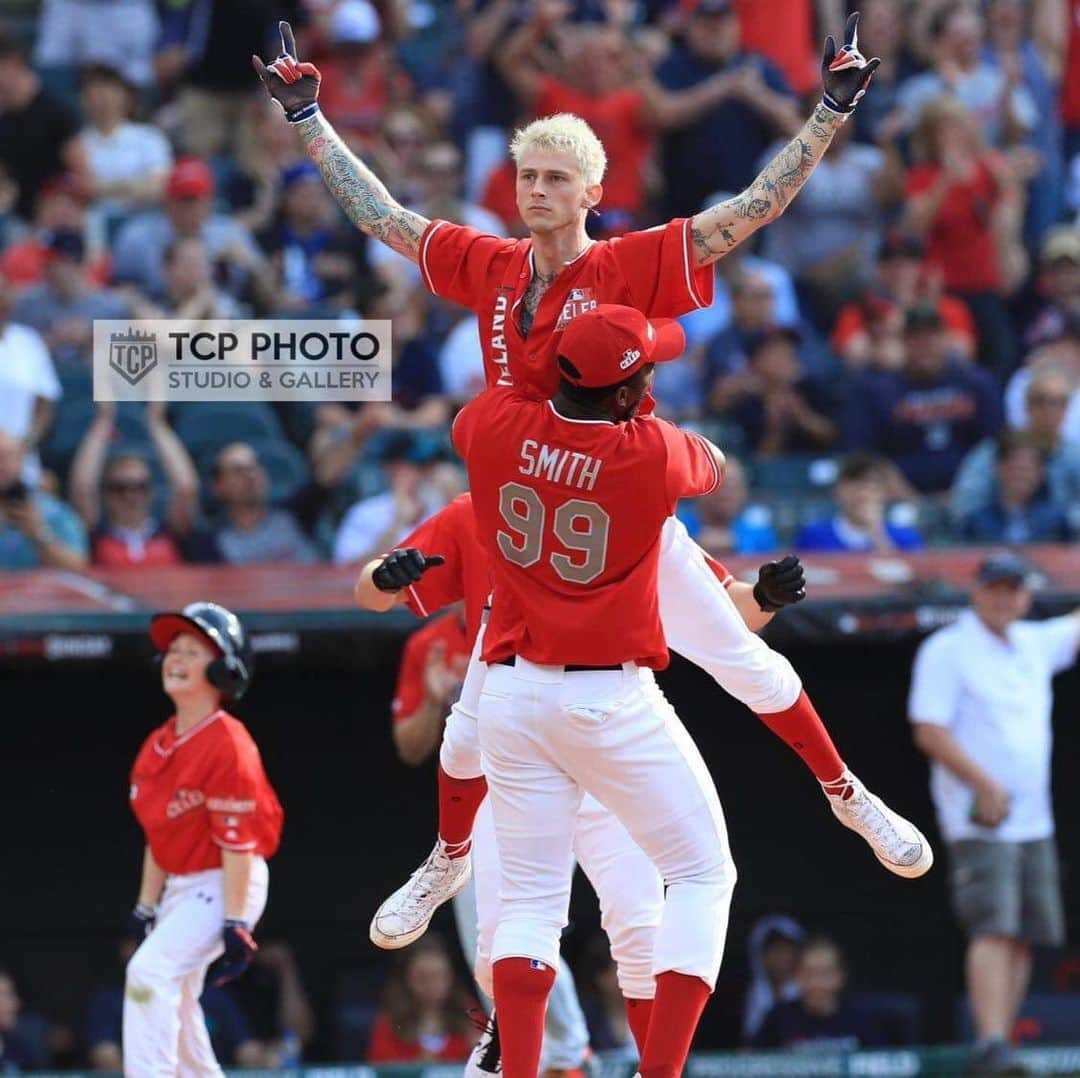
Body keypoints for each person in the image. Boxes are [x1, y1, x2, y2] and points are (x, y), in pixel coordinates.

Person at [260, 0, 930, 963]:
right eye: (528, 175)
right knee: (468, 725)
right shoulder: (490, 265)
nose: (536, 190)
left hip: (618, 505)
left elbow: (749, 214)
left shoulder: (625, 265)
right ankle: (448, 857)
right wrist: (307, 119)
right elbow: (386, 219)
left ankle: (848, 795)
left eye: (556, 179)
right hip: (521, 513)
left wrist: (827, 112)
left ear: (591, 191)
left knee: (746, 662)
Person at [909, 552, 1080, 1075]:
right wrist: (984, 785)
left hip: (1035, 818)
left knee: (1024, 930)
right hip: (980, 815)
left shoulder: (1034, 641)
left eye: (1014, 588)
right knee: (992, 926)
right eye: (995, 588)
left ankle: (1001, 1040)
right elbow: (929, 729)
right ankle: (988, 1041)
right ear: (976, 590)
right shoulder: (948, 648)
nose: (1004, 597)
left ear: (1026, 594)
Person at [124, 602, 284, 1076]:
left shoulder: (228, 741)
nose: (175, 658)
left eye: (193, 651)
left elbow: (238, 844)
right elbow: (159, 835)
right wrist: (144, 906)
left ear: (223, 669)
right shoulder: (157, 744)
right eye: (173, 650)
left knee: (148, 973)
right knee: (178, 997)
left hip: (228, 880)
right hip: (182, 885)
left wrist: (236, 921)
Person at [844, 305, 1003, 493]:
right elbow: (862, 453)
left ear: (945, 339)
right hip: (896, 497)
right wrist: (902, 494)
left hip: (972, 492)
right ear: (902, 342)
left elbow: (995, 444)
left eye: (931, 337)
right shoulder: (874, 389)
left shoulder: (977, 383)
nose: (924, 346)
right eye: (915, 338)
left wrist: (967, 491)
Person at [69, 402, 200, 568]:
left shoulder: (171, 533)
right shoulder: (96, 536)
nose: (130, 496)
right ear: (105, 493)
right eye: (119, 488)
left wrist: (157, 424)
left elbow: (186, 488)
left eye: (140, 487)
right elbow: (83, 488)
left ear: (151, 491)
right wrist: (103, 422)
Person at [952, 367, 1080, 522]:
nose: (1049, 410)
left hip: (1061, 538)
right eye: (1041, 401)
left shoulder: (1075, 455)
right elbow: (966, 501)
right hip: (997, 538)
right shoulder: (996, 449)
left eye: (1059, 403)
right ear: (1026, 406)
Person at [0, 30, 88, 221]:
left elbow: (82, 176)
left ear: (14, 63)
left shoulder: (56, 111)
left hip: (55, 216)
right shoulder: (3, 116)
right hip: (12, 215)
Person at [752, 937, 892, 1050]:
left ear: (840, 976)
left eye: (825, 974)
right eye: (809, 973)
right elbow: (747, 1063)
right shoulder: (778, 1017)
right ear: (796, 976)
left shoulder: (862, 1019)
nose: (816, 983)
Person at [366, 936, 478, 1064]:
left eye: (439, 977)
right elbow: (379, 1068)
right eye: (422, 978)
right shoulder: (389, 1022)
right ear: (405, 979)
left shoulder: (471, 1014)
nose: (431, 986)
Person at [958, 430, 1074, 545]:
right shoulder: (976, 523)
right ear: (998, 468)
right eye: (1015, 468)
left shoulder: (1056, 522)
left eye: (1027, 469)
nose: (1021, 476)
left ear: (1040, 473)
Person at [796, 451, 924, 552]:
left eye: (871, 484)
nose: (862, 491)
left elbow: (907, 579)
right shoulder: (813, 536)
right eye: (854, 483)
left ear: (884, 492)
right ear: (837, 490)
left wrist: (877, 534)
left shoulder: (906, 538)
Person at [0, 431, 87, 571]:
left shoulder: (53, 512)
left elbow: (78, 567)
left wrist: (39, 534)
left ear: (22, 458)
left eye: (8, 455)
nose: (2, 464)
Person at [742, 915, 806, 1043]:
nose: (780, 957)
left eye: (786, 949)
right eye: (774, 950)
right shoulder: (739, 997)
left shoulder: (811, 992)